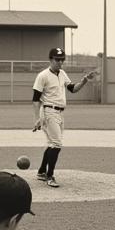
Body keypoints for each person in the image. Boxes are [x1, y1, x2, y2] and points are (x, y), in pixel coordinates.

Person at [31, 47, 97, 188]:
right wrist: (37, 118)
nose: (60, 62)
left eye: (62, 60)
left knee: (53, 143)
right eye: (57, 60)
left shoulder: (62, 74)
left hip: (60, 113)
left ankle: (41, 172)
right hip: (49, 111)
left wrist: (84, 80)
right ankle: (50, 176)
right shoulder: (43, 76)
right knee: (57, 144)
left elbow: (73, 89)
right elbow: (36, 99)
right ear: (51, 60)